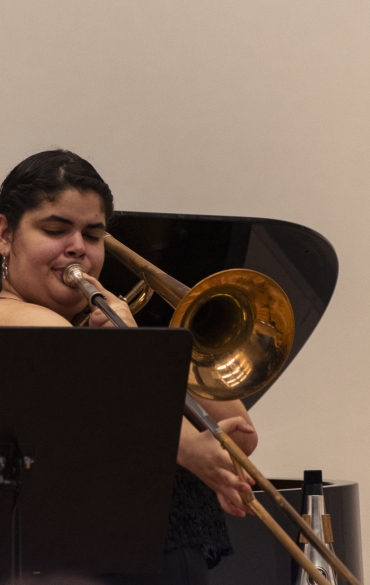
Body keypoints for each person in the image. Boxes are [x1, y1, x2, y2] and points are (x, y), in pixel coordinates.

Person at [0, 150, 258, 585]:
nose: (78, 247)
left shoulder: (104, 334)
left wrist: (131, 338)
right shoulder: (15, 316)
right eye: (55, 229)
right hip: (76, 566)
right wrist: (186, 447)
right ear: (4, 234)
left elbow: (239, 431)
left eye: (93, 234)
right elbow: (84, 377)